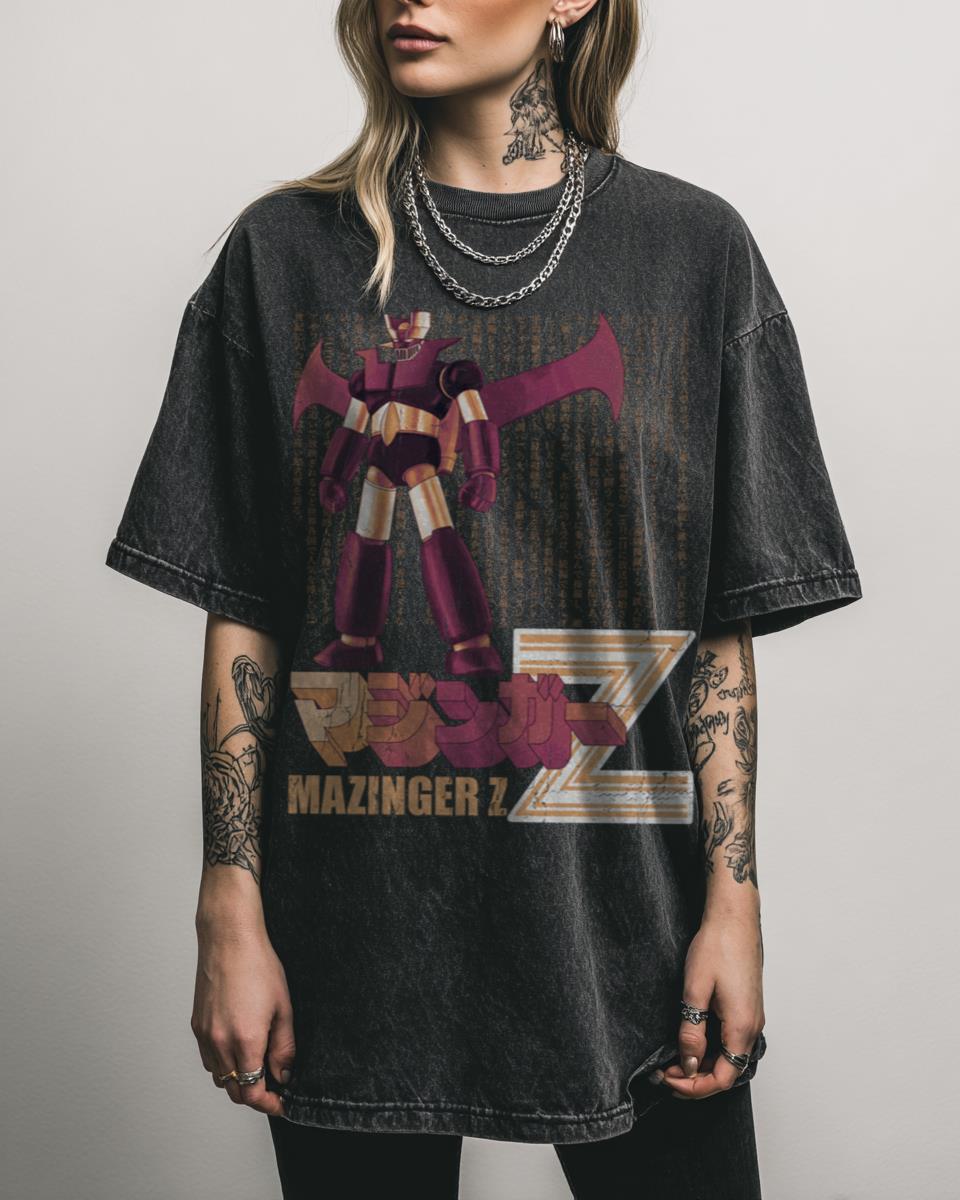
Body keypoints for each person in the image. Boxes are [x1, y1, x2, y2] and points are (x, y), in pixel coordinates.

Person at [104, 0, 863, 1195]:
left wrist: (735, 902)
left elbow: (718, 632)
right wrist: (229, 905)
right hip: (351, 930)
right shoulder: (282, 252)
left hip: (629, 926)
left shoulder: (695, 252)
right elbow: (243, 608)